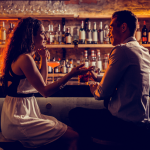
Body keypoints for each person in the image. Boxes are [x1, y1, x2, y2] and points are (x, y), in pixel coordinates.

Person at [1, 17, 92, 150]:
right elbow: (45, 91)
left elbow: (42, 83)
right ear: (31, 35)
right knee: (74, 136)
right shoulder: (25, 58)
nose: (45, 36)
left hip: (21, 115)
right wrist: (71, 74)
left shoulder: (24, 56)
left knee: (71, 131)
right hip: (19, 120)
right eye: (42, 33)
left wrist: (44, 58)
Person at [69, 10, 150, 149]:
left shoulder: (122, 50)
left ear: (123, 27)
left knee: (75, 114)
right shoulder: (144, 51)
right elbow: (128, 78)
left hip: (122, 126)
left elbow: (102, 93)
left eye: (111, 27)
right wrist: (99, 77)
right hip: (142, 125)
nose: (108, 33)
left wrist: (94, 88)